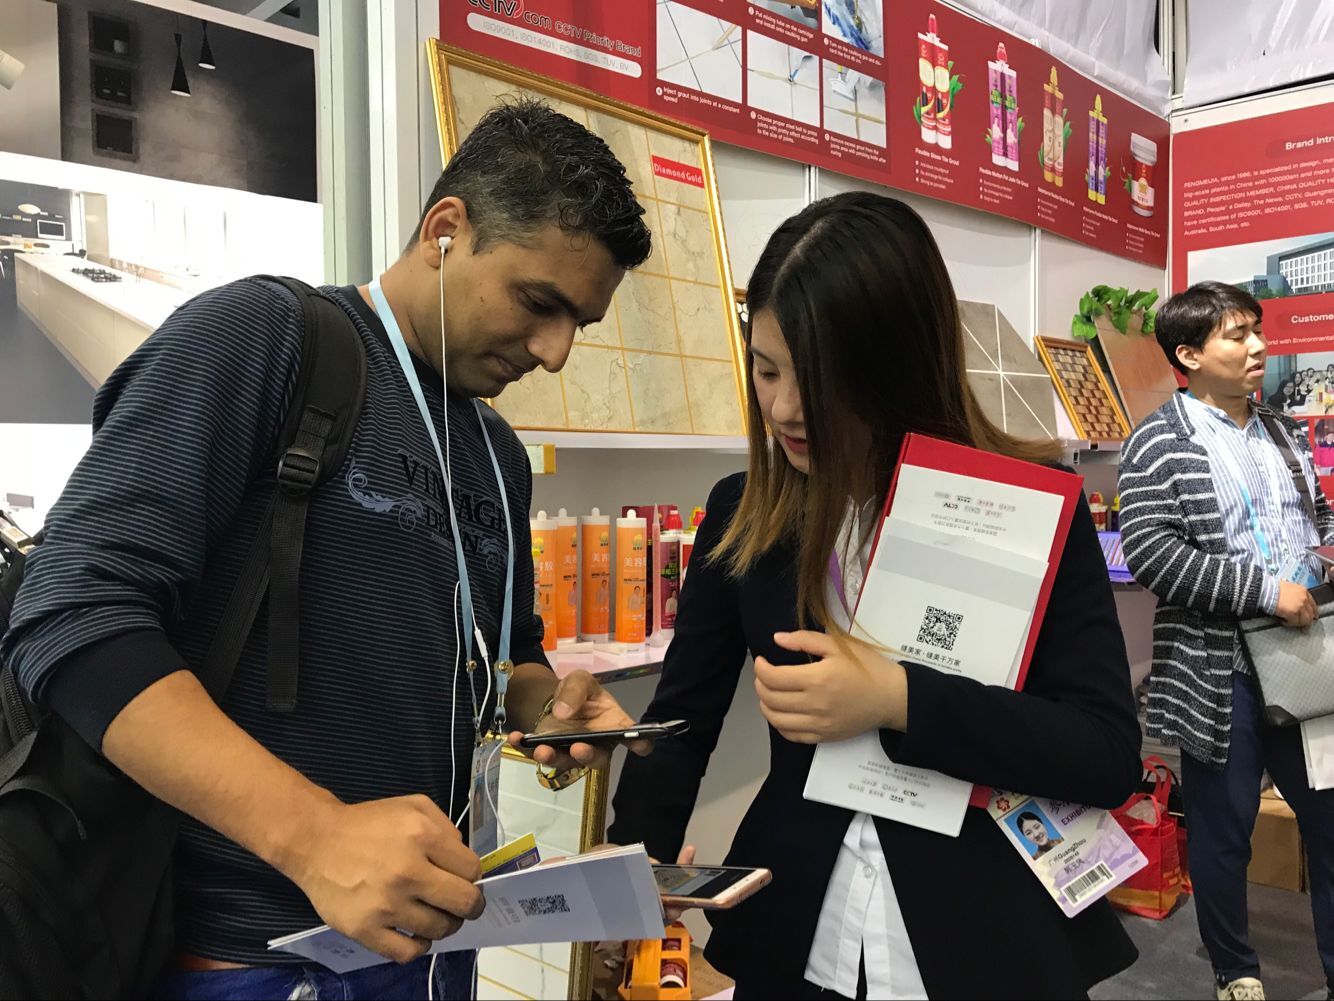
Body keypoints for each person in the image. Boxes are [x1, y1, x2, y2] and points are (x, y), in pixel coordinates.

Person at [0, 100, 654, 1001]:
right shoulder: (265, 338)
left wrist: (550, 705)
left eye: (580, 321)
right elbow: (74, 615)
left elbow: (502, 656)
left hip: (431, 949)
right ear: (446, 230)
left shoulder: (497, 456)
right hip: (241, 959)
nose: (555, 352)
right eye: (539, 303)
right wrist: (313, 834)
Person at [608, 191, 1141, 999]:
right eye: (766, 368)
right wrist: (630, 871)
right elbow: (682, 722)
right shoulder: (745, 512)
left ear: (898, 365)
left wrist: (899, 697)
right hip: (795, 928)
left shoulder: (1025, 510)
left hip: (982, 934)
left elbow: (1103, 753)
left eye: (819, 379)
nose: (785, 408)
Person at [1118, 281, 1334, 1001]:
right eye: (1237, 335)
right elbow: (1152, 553)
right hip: (1219, 671)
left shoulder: (1282, 430)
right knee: (1223, 832)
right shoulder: (1157, 442)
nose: (1259, 347)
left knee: (1329, 819)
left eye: (1257, 330)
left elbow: (1318, 515)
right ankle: (1234, 970)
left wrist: (1325, 562)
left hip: (1306, 661)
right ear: (1189, 355)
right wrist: (1264, 591)